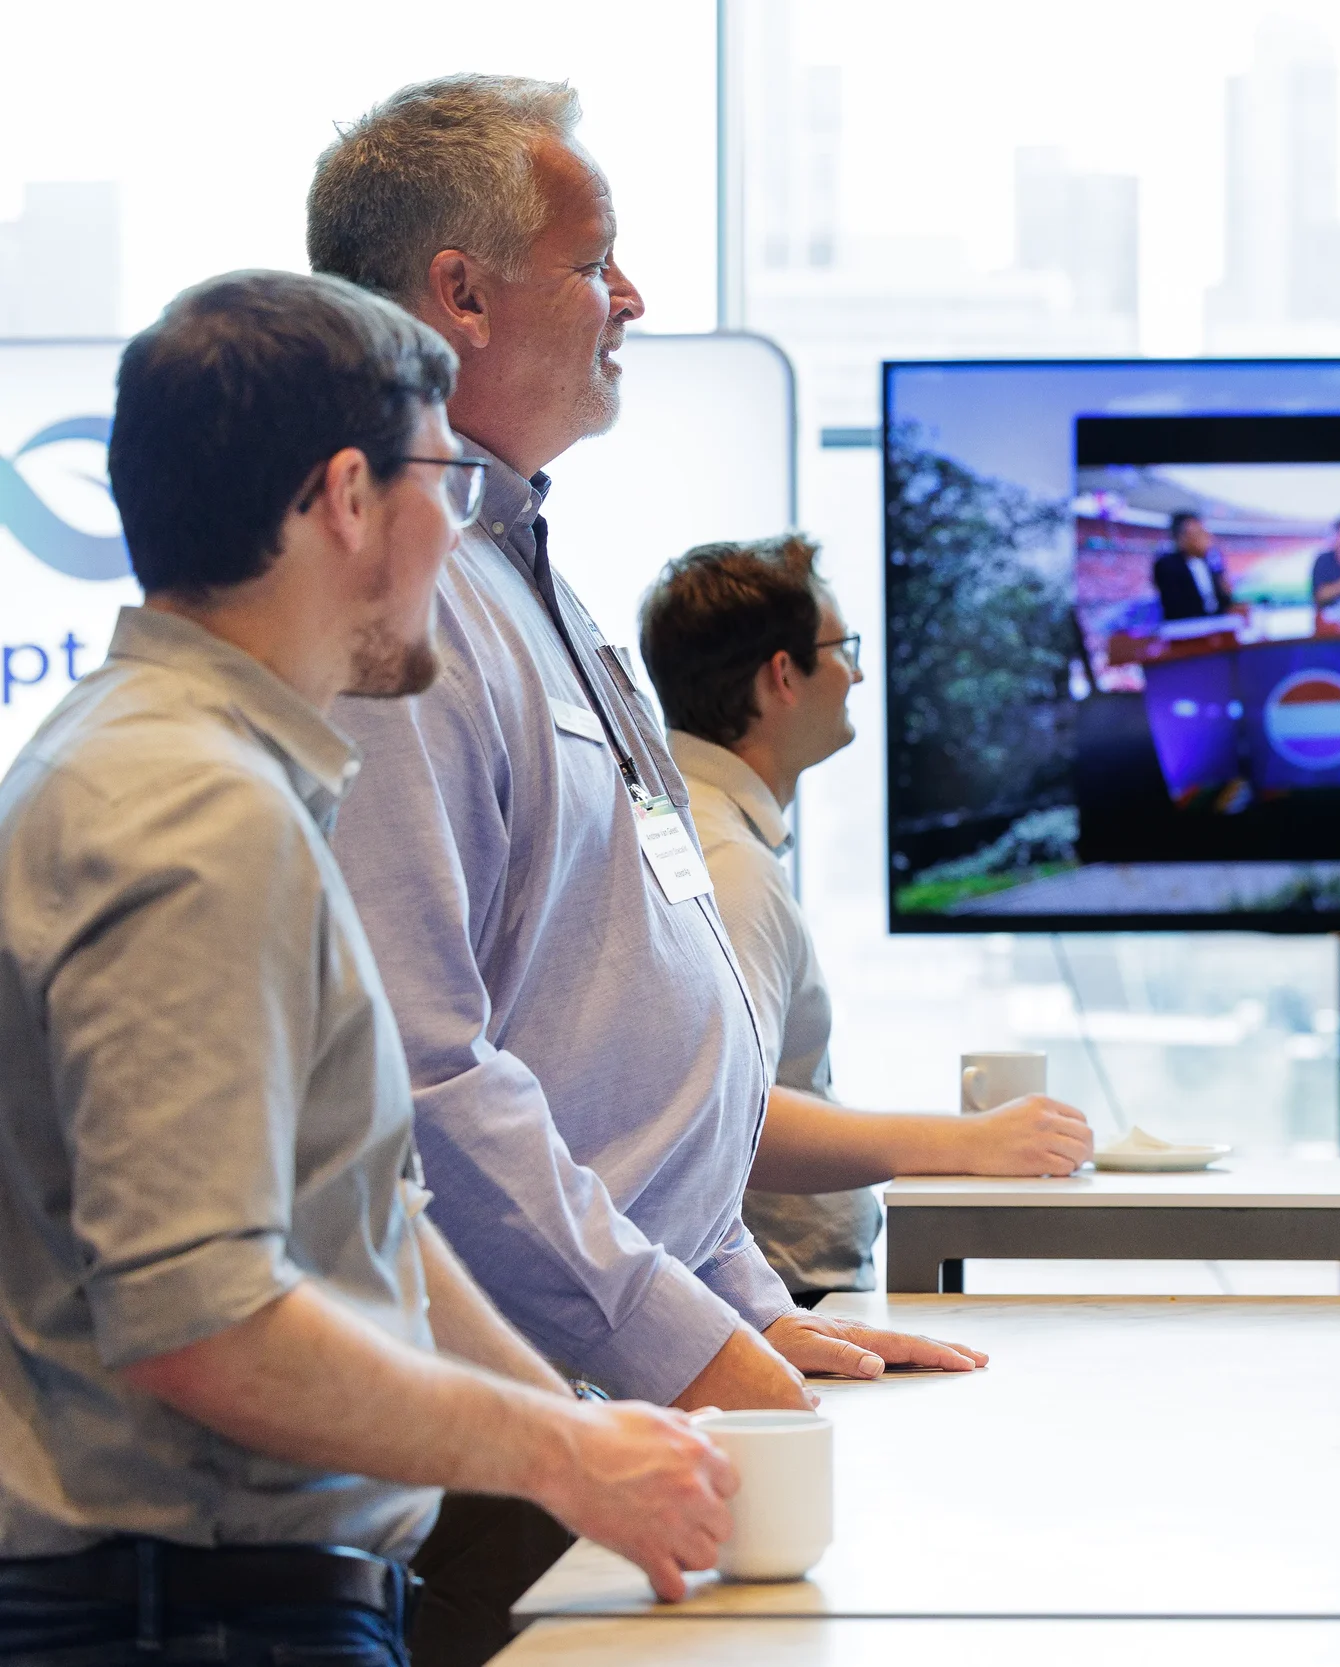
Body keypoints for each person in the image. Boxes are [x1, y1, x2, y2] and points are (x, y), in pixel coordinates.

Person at [306, 75, 981, 1667]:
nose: (635, 299)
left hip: (640, 1364)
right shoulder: (393, 612)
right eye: (596, 258)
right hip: (531, 1413)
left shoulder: (530, 572)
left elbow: (621, 1009)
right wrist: (692, 1345)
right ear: (460, 295)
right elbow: (428, 1072)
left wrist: (746, 1292)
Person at [0, 271, 738, 1665]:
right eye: (445, 485)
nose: (453, 538)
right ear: (347, 496)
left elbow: (369, 1215)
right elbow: (203, 1324)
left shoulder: (208, 773)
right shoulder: (186, 810)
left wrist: (580, 1445)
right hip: (188, 1617)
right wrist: (564, 1453)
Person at [639, 533, 1097, 1302]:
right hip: (773, 1303)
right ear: (783, 675)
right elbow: (728, 1110)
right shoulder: (725, 861)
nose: (857, 672)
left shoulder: (696, 825)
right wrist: (972, 1142)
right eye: (842, 646)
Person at [1152, 510, 1234, 623]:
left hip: (1216, 624)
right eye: (1199, 533)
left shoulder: (1211, 561)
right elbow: (1175, 608)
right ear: (1181, 539)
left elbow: (1222, 601)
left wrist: (1227, 594)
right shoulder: (1166, 565)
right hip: (1187, 629)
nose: (1207, 537)